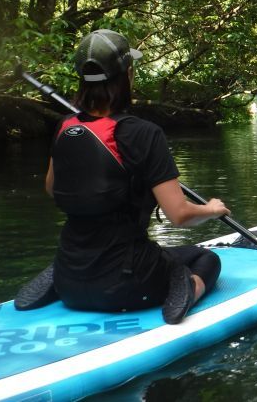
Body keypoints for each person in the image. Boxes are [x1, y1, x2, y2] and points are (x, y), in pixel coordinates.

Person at [16, 29, 229, 324]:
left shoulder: (66, 126)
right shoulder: (144, 133)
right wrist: (212, 210)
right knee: (206, 258)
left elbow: (53, 188)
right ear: (128, 75)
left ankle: (60, 279)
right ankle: (189, 288)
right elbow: (179, 215)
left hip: (70, 277)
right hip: (128, 285)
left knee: (123, 253)